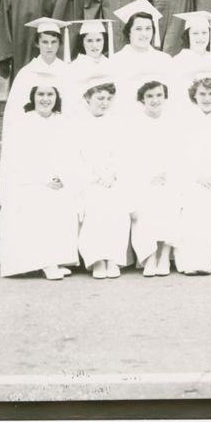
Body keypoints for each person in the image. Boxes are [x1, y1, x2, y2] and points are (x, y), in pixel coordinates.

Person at [0, 76, 81, 279]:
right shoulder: (23, 123)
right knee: (40, 201)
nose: (45, 99)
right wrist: (43, 180)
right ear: (32, 97)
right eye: (40, 94)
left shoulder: (63, 122)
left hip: (59, 181)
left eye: (50, 94)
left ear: (57, 97)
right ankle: (45, 262)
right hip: (28, 182)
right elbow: (17, 160)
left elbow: (71, 155)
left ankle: (55, 258)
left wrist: (62, 177)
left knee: (66, 199)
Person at [76, 77, 132, 279]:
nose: (104, 103)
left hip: (113, 179)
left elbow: (123, 154)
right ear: (88, 98)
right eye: (100, 98)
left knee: (117, 207)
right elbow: (78, 157)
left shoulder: (116, 124)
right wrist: (95, 176)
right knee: (95, 206)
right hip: (88, 180)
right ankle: (97, 259)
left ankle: (113, 258)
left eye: (108, 98)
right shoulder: (79, 125)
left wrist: (112, 174)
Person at [175, 74, 211, 275]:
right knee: (195, 203)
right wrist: (198, 176)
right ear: (194, 96)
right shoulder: (185, 122)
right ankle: (193, 260)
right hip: (193, 178)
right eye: (202, 94)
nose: (207, 98)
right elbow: (181, 157)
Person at [125, 79, 180, 277]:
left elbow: (179, 154)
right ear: (142, 99)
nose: (155, 100)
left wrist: (168, 175)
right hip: (142, 179)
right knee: (144, 203)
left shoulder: (173, 122)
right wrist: (148, 177)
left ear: (165, 97)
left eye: (159, 95)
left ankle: (164, 255)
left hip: (170, 178)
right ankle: (149, 257)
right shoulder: (134, 125)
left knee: (170, 198)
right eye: (149, 96)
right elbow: (130, 158)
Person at [5, 19, 71, 132]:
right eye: (45, 42)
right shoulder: (26, 73)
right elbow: (15, 111)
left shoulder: (68, 72)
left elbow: (73, 107)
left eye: (54, 42)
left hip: (61, 131)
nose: (49, 46)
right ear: (37, 43)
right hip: (33, 130)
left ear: (59, 43)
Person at [108, 0, 173, 97]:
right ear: (129, 31)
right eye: (138, 29)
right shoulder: (117, 61)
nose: (144, 34)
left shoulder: (164, 59)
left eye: (148, 28)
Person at [172, 11, 211, 102]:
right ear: (187, 36)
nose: (200, 37)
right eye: (195, 33)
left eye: (204, 33)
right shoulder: (177, 61)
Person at [64, 19, 115, 102]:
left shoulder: (112, 65)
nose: (94, 45)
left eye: (98, 40)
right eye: (89, 40)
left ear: (104, 41)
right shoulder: (74, 67)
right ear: (82, 42)